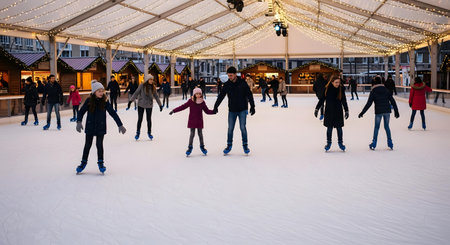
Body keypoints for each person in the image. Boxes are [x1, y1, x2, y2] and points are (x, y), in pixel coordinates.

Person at [75, 80, 126, 174]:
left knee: (99, 145)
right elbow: (81, 112)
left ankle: (101, 163)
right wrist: (79, 121)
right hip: (90, 126)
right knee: (87, 145)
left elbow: (113, 113)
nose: (101, 93)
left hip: (100, 127)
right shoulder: (89, 100)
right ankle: (83, 163)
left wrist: (120, 124)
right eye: (99, 91)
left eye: (102, 91)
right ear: (94, 92)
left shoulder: (105, 101)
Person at [214, 66, 255, 155]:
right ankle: (229, 145)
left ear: (235, 74)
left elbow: (249, 94)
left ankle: (245, 145)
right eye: (228, 75)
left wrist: (252, 106)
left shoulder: (242, 83)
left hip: (242, 109)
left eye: (231, 75)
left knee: (243, 128)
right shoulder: (227, 84)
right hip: (232, 110)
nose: (230, 77)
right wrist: (216, 106)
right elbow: (221, 96)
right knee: (230, 129)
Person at [170, 88, 216, 156]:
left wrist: (213, 112)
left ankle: (202, 147)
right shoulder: (190, 101)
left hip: (199, 120)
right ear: (194, 94)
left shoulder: (202, 102)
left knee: (200, 134)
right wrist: (174, 110)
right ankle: (190, 147)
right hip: (192, 120)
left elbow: (207, 111)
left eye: (199, 94)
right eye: (197, 94)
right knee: (192, 134)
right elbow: (183, 107)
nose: (198, 95)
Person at [358, 76, 400, 150]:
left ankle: (374, 143)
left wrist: (362, 112)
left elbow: (369, 103)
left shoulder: (373, 91)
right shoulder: (386, 90)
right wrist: (396, 111)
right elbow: (392, 101)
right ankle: (390, 143)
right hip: (387, 110)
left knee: (376, 127)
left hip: (379, 111)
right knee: (386, 126)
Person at [314, 75, 349, 152]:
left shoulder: (341, 89)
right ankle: (328, 143)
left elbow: (344, 100)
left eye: (339, 82)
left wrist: (346, 110)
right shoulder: (327, 89)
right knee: (329, 128)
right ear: (332, 82)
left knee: (339, 128)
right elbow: (322, 99)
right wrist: (317, 108)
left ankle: (340, 143)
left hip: (338, 112)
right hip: (329, 111)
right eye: (336, 82)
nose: (337, 84)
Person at [129, 75, 163, 140]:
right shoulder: (142, 85)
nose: (151, 81)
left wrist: (160, 105)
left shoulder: (153, 87)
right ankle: (138, 132)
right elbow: (136, 93)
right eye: (150, 79)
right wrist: (130, 101)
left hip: (149, 105)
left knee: (149, 119)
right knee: (140, 119)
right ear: (147, 80)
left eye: (152, 80)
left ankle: (149, 133)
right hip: (141, 104)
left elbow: (156, 96)